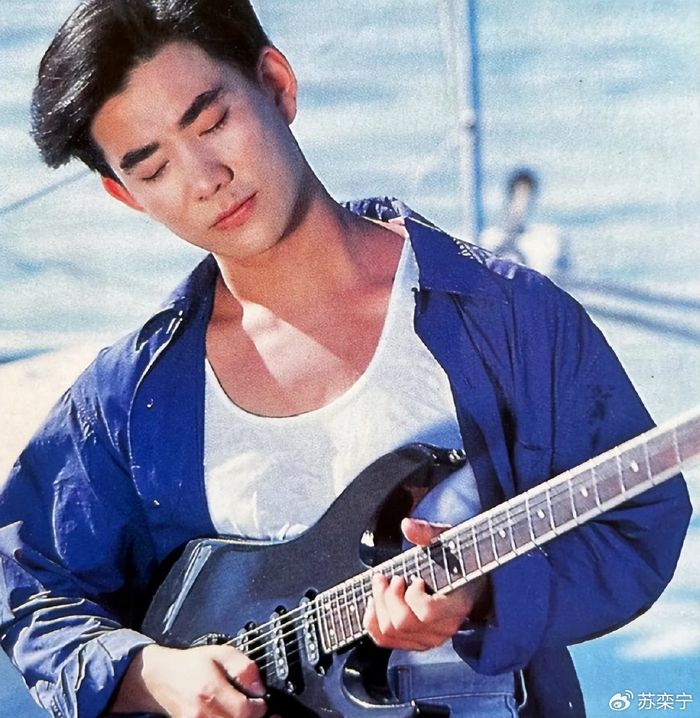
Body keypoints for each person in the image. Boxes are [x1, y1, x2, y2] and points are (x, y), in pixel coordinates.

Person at [0, 1, 691, 717]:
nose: (205, 178)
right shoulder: (128, 398)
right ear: (125, 195)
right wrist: (148, 673)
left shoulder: (505, 317)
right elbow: (26, 582)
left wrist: (486, 594)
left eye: (213, 123)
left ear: (276, 84)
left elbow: (638, 522)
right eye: (154, 168)